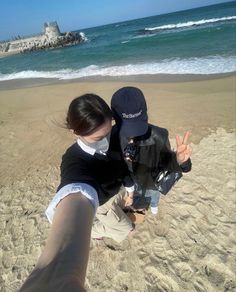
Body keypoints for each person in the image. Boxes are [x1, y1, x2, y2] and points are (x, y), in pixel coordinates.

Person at [19, 94, 134, 292]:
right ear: (74, 131)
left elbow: (122, 165)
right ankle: (91, 231)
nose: (106, 140)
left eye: (108, 132)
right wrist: (59, 275)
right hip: (98, 205)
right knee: (126, 230)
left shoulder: (113, 134)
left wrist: (130, 188)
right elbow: (76, 195)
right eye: (98, 138)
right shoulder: (74, 162)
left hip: (117, 191)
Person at [111, 86, 192, 215]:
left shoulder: (159, 135)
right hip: (128, 182)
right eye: (127, 128)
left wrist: (181, 161)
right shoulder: (110, 137)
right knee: (133, 198)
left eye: (137, 126)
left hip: (151, 180)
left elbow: (166, 163)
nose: (132, 135)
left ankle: (153, 205)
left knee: (153, 195)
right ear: (113, 118)